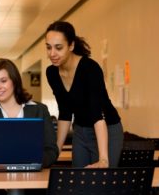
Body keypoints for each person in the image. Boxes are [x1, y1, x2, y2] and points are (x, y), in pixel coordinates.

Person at [0, 58, 58, 195]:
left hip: (32, 181)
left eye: (3, 81)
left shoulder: (39, 110)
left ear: (14, 81)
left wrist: (31, 163)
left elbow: (52, 150)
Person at [45, 21, 124, 168]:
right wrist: (54, 153)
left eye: (58, 48)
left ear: (71, 46)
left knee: (101, 182)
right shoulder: (52, 73)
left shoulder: (90, 69)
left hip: (106, 128)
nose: (52, 53)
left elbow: (97, 115)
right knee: (79, 182)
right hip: (80, 131)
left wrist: (103, 159)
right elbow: (65, 113)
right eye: (48, 47)